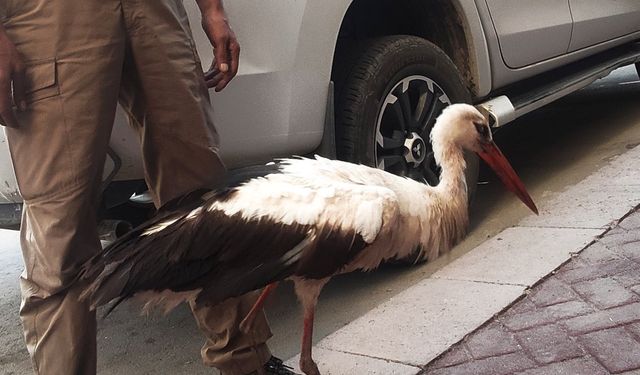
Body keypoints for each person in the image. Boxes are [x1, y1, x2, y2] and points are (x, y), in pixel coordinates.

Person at [0, 1, 295, 374]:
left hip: (156, 11)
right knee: (60, 220)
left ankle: (246, 361)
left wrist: (213, 10)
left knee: (202, 200)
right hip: (52, 16)